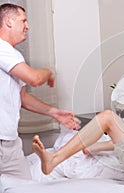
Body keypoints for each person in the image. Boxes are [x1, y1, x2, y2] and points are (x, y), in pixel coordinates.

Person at [0, 3, 81, 179]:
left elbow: (22, 98)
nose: (27, 26)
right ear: (8, 22)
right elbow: (35, 79)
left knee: (25, 191)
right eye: (23, 20)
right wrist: (49, 72)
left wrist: (54, 113)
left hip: (10, 143)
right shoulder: (1, 48)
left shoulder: (13, 55)